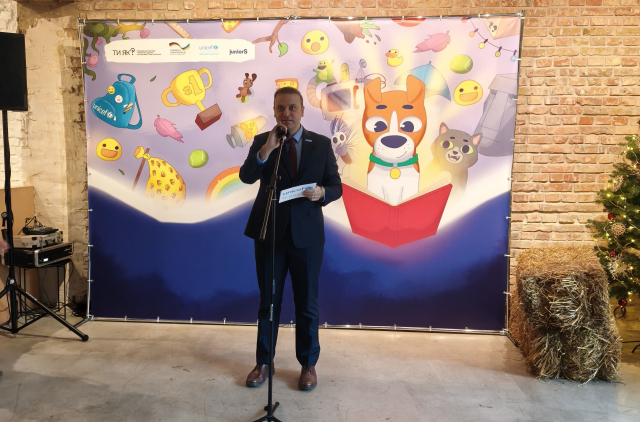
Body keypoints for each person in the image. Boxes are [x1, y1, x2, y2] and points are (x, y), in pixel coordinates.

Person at [239, 87, 342, 391]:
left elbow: (335, 186)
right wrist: (266, 150)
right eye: (281, 108)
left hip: (307, 237)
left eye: (292, 108)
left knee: (306, 304)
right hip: (269, 233)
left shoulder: (320, 144)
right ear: (274, 111)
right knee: (268, 303)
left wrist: (322, 193)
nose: (287, 113)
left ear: (302, 111)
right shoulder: (264, 141)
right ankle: (263, 362)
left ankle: (308, 364)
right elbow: (246, 176)